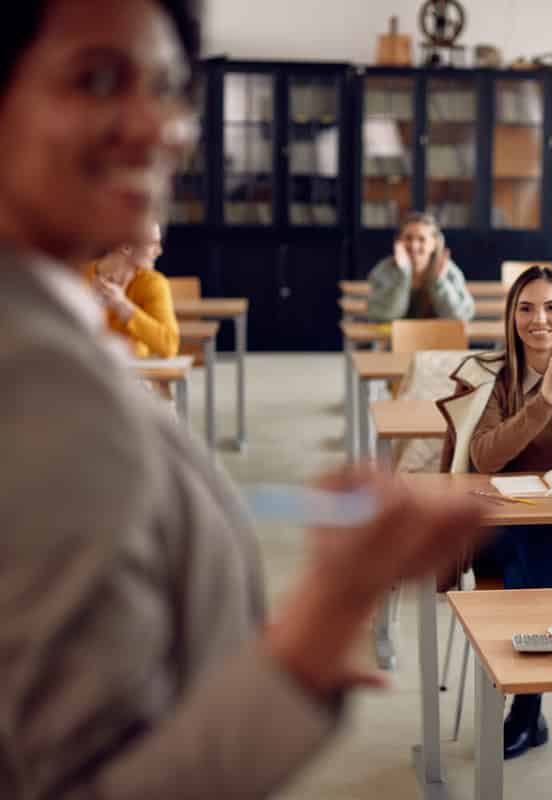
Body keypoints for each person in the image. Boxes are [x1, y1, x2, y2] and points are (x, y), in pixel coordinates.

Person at [0, 2, 490, 797]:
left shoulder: (46, 326)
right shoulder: (36, 385)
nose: (156, 126)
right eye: (96, 81)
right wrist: (325, 618)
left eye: (166, 88)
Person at [466, 265, 552, 758]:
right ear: (511, 317)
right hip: (508, 527)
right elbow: (483, 456)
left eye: (551, 307)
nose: (539, 319)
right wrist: (541, 404)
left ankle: (526, 714)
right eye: (526, 308)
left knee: (542, 563)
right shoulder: (498, 378)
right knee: (533, 544)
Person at [83, 223, 179, 358]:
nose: (159, 251)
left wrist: (123, 306)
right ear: (126, 247)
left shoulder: (153, 283)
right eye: (153, 244)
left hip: (137, 373)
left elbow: (169, 345)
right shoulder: (77, 277)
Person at [365, 211, 474, 323]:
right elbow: (383, 316)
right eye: (408, 238)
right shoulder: (384, 270)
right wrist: (404, 274)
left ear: (434, 243)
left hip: (438, 338)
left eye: (422, 239)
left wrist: (439, 282)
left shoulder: (449, 271)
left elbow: (459, 317)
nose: (414, 245)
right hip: (395, 338)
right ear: (399, 241)